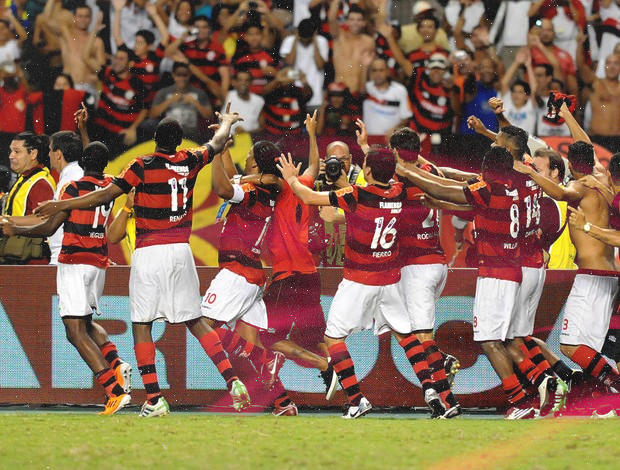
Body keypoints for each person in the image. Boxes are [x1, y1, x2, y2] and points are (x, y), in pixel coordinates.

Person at [35, 112, 252, 417]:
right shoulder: (191, 159)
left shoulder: (142, 165)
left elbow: (104, 195)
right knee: (195, 320)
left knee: (142, 324)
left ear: (153, 141)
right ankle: (233, 381)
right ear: (178, 141)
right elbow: (216, 143)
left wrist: (61, 204)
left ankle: (154, 399)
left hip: (150, 250)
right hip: (181, 250)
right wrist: (228, 121)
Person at [278, 148, 460, 419]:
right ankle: (438, 394)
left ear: (368, 172)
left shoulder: (356, 195)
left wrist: (292, 179)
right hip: (390, 279)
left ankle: (356, 400)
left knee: (333, 338)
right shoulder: (398, 191)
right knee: (406, 337)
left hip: (359, 280)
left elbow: (307, 196)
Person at [397, 146, 538, 419]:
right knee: (507, 339)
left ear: (486, 170)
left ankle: (521, 400)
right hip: (513, 269)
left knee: (488, 339)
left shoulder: (487, 190)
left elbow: (443, 187)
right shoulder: (514, 189)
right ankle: (542, 385)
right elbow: (459, 200)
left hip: (496, 274)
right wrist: (437, 201)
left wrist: (406, 171)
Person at [1, 141, 132, 415]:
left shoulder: (72, 189)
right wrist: (85, 134)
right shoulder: (109, 185)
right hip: (98, 264)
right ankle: (117, 363)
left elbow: (49, 226)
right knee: (85, 322)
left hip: (74, 261)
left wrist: (15, 230)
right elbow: (95, 158)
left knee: (74, 332)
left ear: (81, 161)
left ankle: (114, 391)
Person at [513, 105, 620, 397]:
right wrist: (567, 115)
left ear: (570, 164)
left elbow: (560, 193)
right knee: (590, 346)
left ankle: (614, 386)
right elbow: (584, 144)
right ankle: (603, 393)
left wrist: (527, 171)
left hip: (591, 276)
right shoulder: (605, 181)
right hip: (609, 275)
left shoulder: (579, 186)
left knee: (570, 345)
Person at [1, 132, 55, 265]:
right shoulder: (24, 178)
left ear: (33, 154)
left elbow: (44, 219)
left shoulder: (40, 183)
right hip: (17, 256)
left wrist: (6, 220)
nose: (11, 156)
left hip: (31, 262)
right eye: (11, 151)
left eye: (17, 152)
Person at [315, 138, 365, 268]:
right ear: (325, 160)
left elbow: (367, 215)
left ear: (351, 158)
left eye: (343, 160)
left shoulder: (362, 177)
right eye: (334, 160)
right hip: (325, 250)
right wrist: (313, 177)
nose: (339, 164)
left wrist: (337, 218)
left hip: (354, 250)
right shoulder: (319, 178)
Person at [532, 148, 576, 270]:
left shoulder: (547, 202)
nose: (532, 175)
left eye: (538, 171)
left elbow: (530, 238)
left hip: (550, 275)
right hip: (568, 271)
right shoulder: (571, 198)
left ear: (554, 172)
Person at [149, 62, 212, 142]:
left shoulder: (199, 93)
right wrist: (169, 101)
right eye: (179, 75)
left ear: (189, 75)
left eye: (185, 75)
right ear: (173, 75)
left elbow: (209, 115)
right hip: (170, 132)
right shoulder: (164, 92)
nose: (182, 78)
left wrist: (195, 103)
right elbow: (153, 114)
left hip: (191, 133)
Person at [47, 131, 84, 265]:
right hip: (65, 255)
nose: (48, 154)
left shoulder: (71, 180)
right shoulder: (72, 175)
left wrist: (15, 226)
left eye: (50, 150)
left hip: (66, 257)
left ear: (58, 154)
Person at [279, 18, 329, 112]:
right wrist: (295, 39)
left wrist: (314, 41)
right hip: (295, 95)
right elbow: (289, 62)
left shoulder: (321, 41)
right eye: (303, 39)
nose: (305, 42)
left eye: (308, 40)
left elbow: (320, 65)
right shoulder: (289, 41)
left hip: (316, 96)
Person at [328, 3, 375, 95]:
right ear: (346, 22)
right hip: (338, 92)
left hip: (357, 91)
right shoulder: (339, 36)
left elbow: (369, 70)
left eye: (359, 20)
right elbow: (331, 18)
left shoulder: (369, 41)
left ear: (364, 23)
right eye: (352, 19)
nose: (355, 23)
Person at [362, 58, 412, 137]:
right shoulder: (366, 89)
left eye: (381, 70)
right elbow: (359, 90)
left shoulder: (400, 90)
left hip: (391, 138)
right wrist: (364, 67)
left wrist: (395, 129)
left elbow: (405, 117)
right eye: (374, 70)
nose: (378, 74)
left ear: (388, 72)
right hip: (369, 138)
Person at [223, 70, 265, 135]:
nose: (243, 83)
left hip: (248, 140)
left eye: (247, 80)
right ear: (234, 82)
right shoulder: (227, 96)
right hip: (226, 140)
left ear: (251, 82)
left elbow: (262, 127)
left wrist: (245, 132)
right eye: (240, 80)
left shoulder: (258, 101)